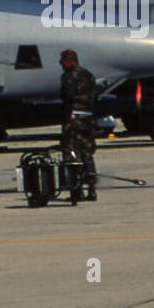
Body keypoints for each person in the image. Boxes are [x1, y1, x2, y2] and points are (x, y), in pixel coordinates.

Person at [59, 49, 98, 201]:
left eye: (63, 60)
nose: (61, 63)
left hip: (73, 119)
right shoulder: (88, 75)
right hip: (87, 118)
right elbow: (94, 96)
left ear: (70, 61)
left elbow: (67, 97)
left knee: (71, 153)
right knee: (87, 153)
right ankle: (92, 190)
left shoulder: (68, 76)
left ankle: (76, 190)